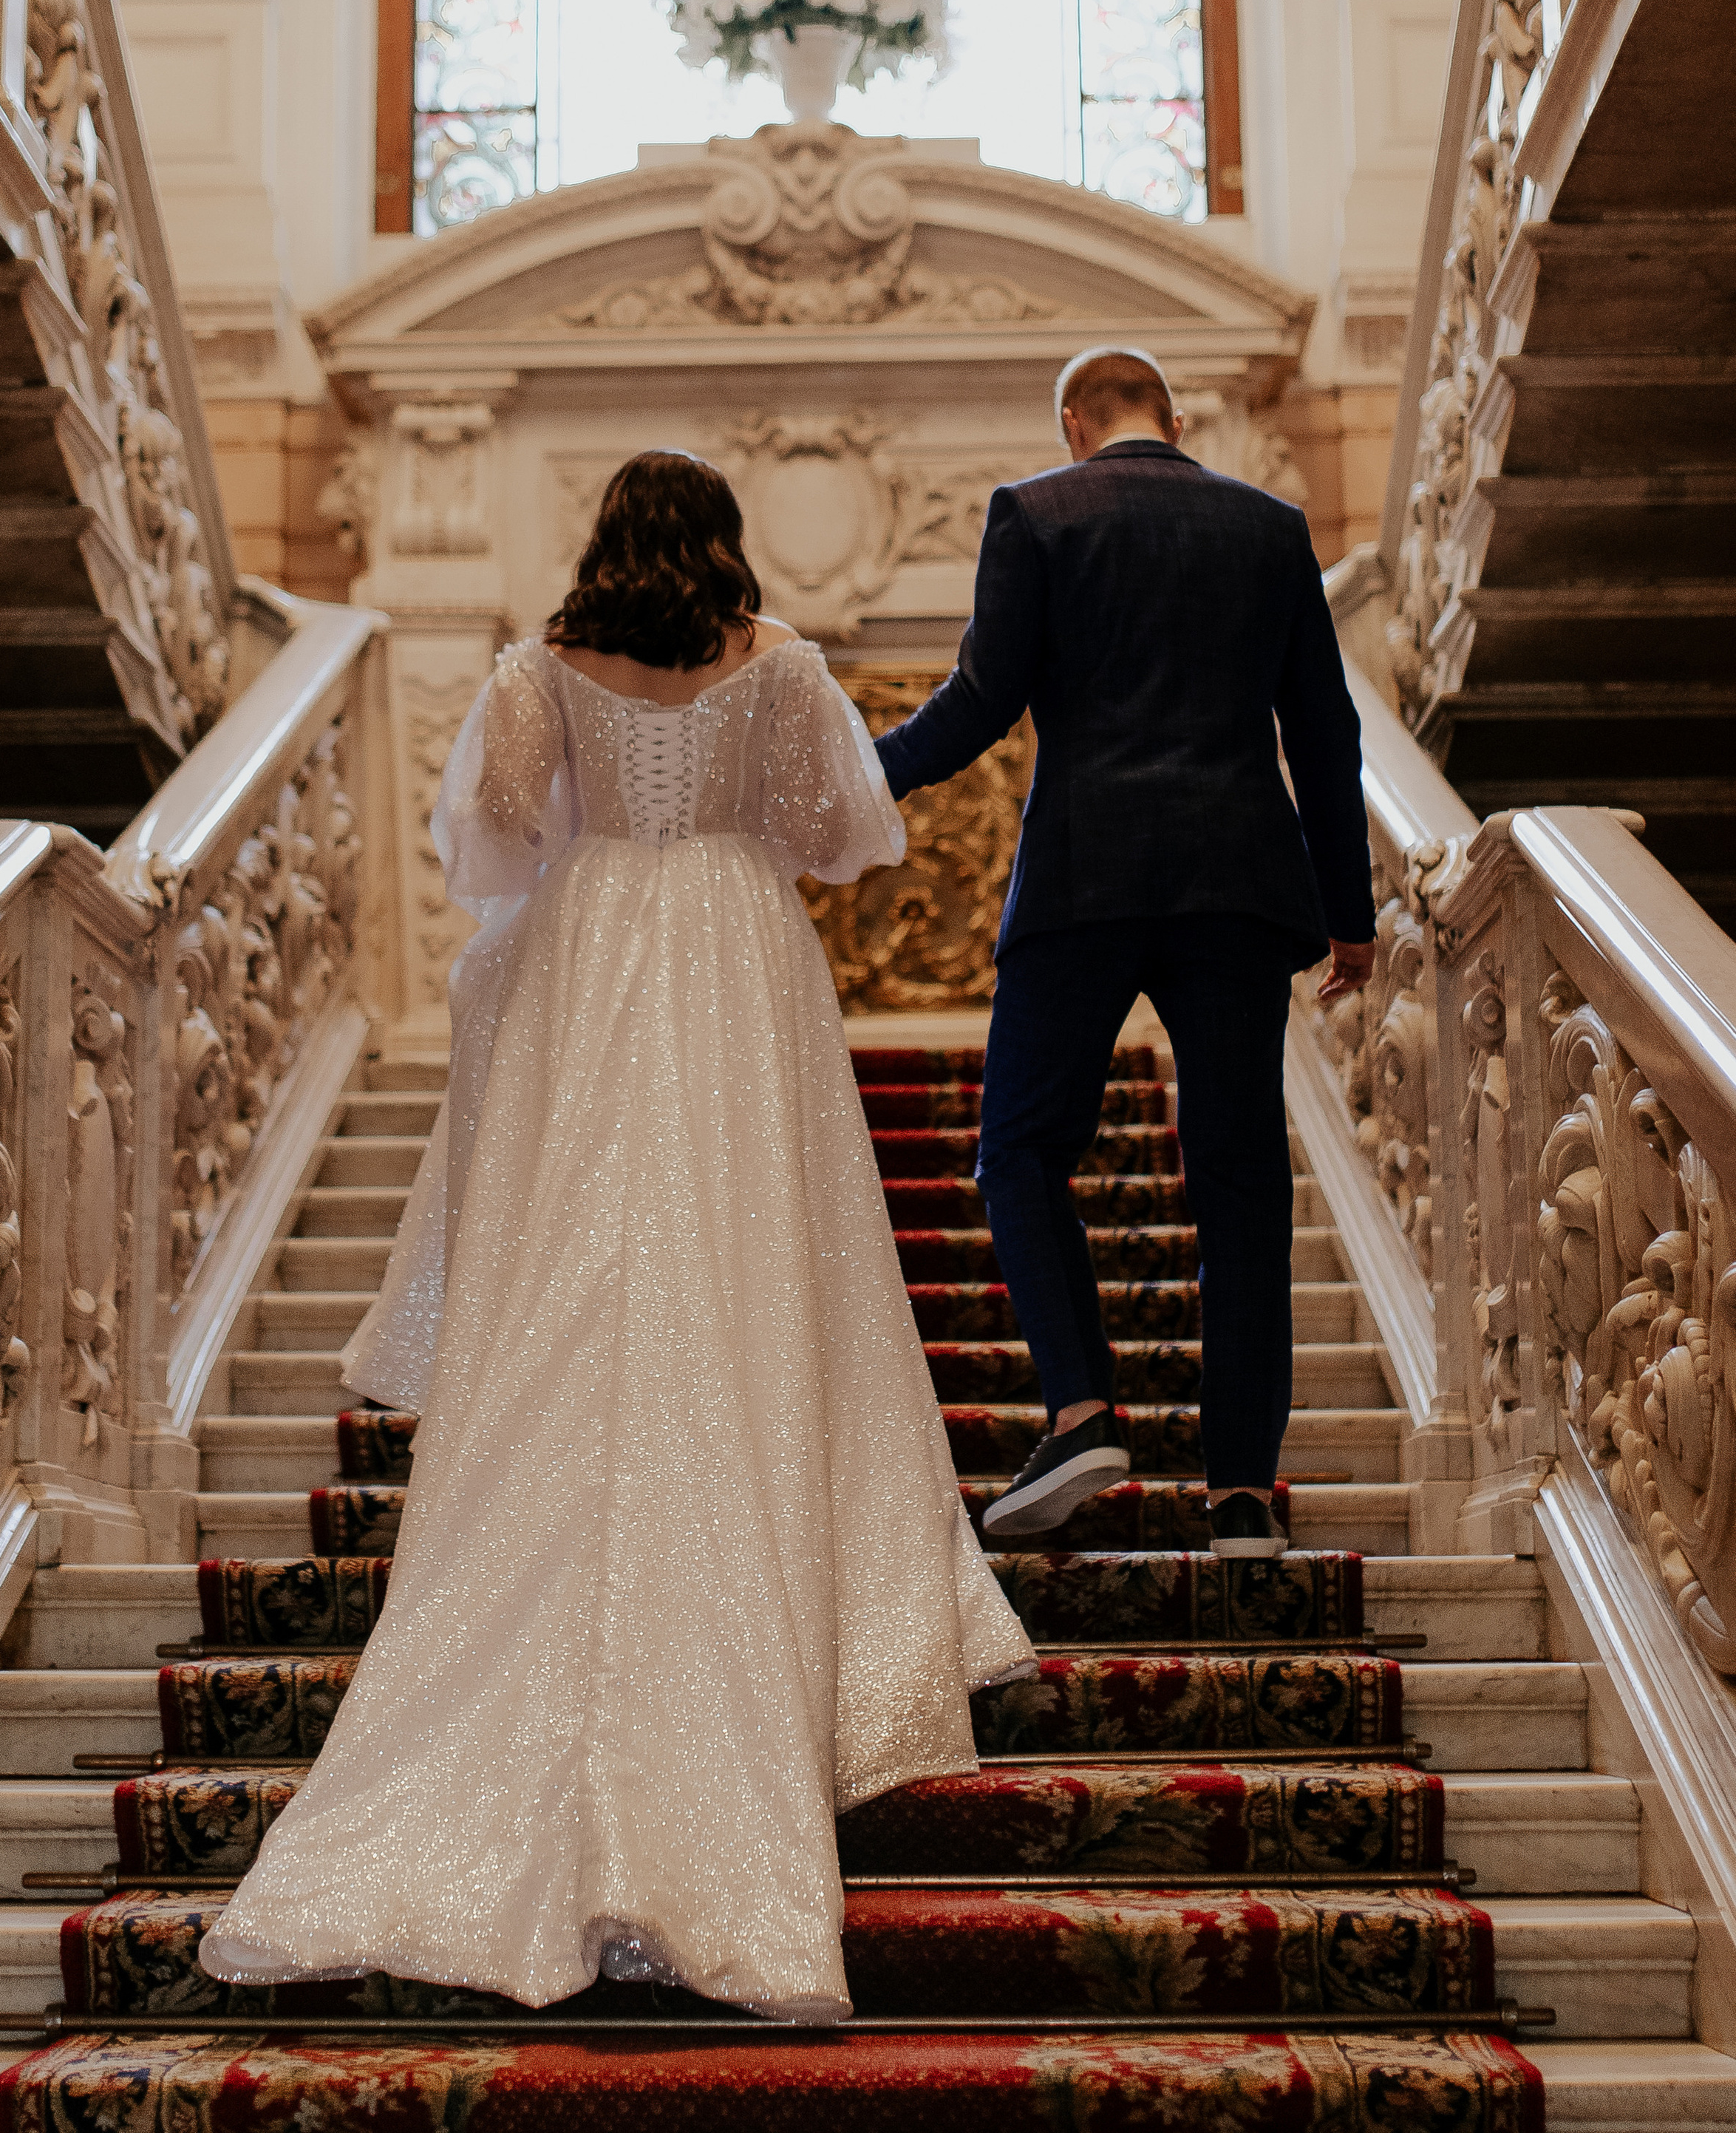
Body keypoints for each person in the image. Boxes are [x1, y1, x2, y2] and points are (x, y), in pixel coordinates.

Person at [199, 449, 1032, 2020]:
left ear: (603, 539)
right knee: (749, 1262)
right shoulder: (777, 661)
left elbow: (500, 834)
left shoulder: (538, 665)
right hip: (731, 943)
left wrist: (599, 824)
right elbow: (835, 831)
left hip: (591, 944)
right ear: (717, 539)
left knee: (578, 1257)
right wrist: (723, 819)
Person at [873, 347, 1375, 1562]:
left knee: (1022, 1144)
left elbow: (982, 700)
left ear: (1072, 421)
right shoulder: (1269, 526)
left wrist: (855, 775)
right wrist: (1349, 911)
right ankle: (1243, 1491)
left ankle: (1086, 1410)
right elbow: (1326, 729)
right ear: (1177, 418)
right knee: (1240, 1178)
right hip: (1241, 886)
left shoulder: (1037, 514)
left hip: (1085, 883)